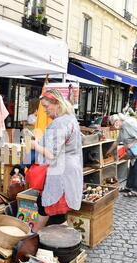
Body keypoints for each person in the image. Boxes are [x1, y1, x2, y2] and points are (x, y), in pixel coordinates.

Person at [30, 89, 83, 232]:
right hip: (68, 172)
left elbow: (51, 154)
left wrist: (35, 145)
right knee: (51, 212)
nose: (45, 111)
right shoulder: (71, 119)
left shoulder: (60, 123)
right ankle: (35, 236)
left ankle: (54, 244)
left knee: (55, 215)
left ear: (57, 104)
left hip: (60, 174)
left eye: (47, 106)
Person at [108, 113, 137, 197]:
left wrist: (133, 145)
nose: (114, 125)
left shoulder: (128, 124)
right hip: (133, 152)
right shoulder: (122, 128)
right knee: (132, 169)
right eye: (113, 124)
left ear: (119, 120)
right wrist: (109, 151)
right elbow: (117, 141)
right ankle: (129, 187)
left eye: (115, 122)